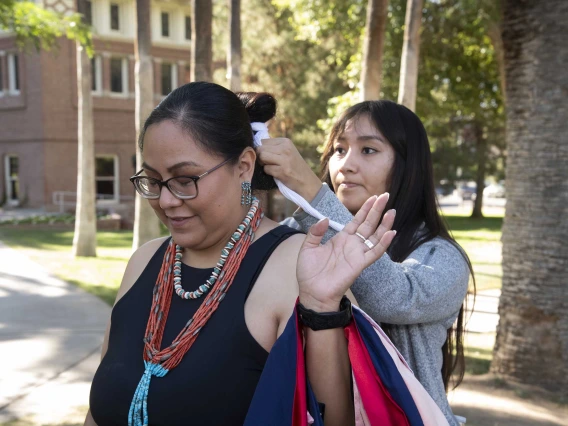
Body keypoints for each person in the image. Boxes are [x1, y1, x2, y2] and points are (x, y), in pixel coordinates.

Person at [83, 82, 397, 426]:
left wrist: (322, 311)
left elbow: (336, 419)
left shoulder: (296, 266)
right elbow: (100, 408)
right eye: (153, 180)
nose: (167, 200)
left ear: (244, 167)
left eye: (185, 179)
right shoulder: (144, 261)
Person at [257, 99, 474, 426]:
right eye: (339, 150)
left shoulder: (440, 256)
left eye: (368, 150)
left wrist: (310, 191)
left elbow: (396, 297)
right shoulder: (300, 234)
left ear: (407, 165)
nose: (345, 164)